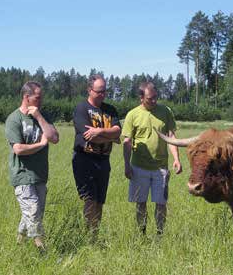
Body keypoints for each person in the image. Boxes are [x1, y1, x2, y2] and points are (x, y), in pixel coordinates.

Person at [5, 81, 59, 250]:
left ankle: (18, 244)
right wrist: (41, 145)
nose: (41, 100)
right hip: (22, 175)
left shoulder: (42, 116)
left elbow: (54, 138)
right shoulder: (14, 119)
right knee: (33, 211)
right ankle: (42, 249)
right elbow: (18, 149)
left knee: (33, 213)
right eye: (37, 97)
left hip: (40, 175)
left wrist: (39, 117)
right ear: (26, 97)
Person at [122, 81, 182, 235]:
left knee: (161, 203)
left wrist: (176, 158)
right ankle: (141, 234)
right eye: (150, 99)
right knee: (140, 203)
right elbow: (127, 141)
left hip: (160, 167)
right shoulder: (132, 115)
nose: (154, 101)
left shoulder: (165, 111)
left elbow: (171, 136)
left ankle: (159, 234)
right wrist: (127, 165)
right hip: (139, 167)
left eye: (155, 97)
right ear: (141, 98)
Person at [72, 74, 121, 238]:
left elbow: (118, 131)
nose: (102, 94)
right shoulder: (81, 109)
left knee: (100, 200)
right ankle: (87, 235)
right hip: (85, 160)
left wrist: (100, 131)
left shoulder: (110, 110)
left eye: (104, 91)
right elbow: (87, 135)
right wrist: (111, 137)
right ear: (89, 90)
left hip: (104, 160)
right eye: (99, 91)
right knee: (90, 199)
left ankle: (95, 234)